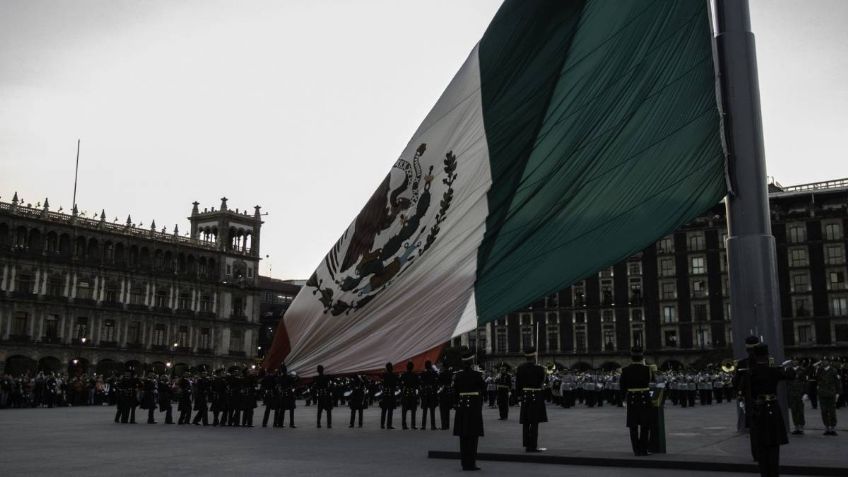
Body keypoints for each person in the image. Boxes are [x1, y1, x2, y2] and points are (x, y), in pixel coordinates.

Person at [743, 343, 792, 477]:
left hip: (758, 410)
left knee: (761, 447)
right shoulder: (773, 370)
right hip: (773, 410)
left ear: (755, 355)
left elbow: (740, 387)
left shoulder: (750, 373)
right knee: (774, 447)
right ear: (767, 355)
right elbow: (791, 375)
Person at [453, 351, 484, 471]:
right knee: (473, 436)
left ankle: (464, 463)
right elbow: (483, 387)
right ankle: (471, 463)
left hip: (461, 407)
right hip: (474, 408)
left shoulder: (458, 376)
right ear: (471, 362)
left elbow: (455, 392)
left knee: (463, 436)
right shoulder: (477, 375)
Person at [619, 346, 653, 456]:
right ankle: (643, 449)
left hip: (632, 399)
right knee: (645, 425)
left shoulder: (625, 370)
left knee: (633, 426)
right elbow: (652, 382)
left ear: (631, 357)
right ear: (642, 356)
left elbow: (622, 387)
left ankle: (636, 450)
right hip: (644, 398)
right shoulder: (648, 369)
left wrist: (623, 400)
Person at [733, 335, 761, 461]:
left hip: (751, 401)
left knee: (754, 431)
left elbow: (735, 382)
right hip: (767, 400)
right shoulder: (768, 360)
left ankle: (757, 455)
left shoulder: (741, 363)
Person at [515, 347, 547, 452]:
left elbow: (518, 384)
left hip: (525, 396)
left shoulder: (520, 368)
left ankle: (527, 444)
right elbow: (542, 382)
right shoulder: (539, 369)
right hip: (535, 396)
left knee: (526, 422)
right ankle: (533, 445)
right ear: (534, 357)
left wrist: (519, 396)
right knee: (534, 422)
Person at [817, 357, 841, 436]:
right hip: (822, 394)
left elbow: (838, 382)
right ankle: (827, 427)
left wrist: (838, 393)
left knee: (832, 412)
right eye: (823, 361)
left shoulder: (833, 370)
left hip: (831, 394)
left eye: (826, 361)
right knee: (824, 411)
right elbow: (816, 379)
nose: (824, 362)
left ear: (829, 362)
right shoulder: (820, 370)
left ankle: (833, 428)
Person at [787, 362, 806, 435]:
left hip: (800, 393)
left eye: (796, 361)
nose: (794, 362)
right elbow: (787, 381)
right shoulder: (789, 370)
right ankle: (796, 426)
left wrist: (805, 393)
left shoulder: (802, 370)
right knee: (794, 410)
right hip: (792, 393)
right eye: (793, 361)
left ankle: (801, 426)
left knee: (800, 410)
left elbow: (805, 381)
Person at [419, 361, 439, 430]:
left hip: (425, 392)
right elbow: (436, 384)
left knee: (425, 410)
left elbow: (420, 384)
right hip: (431, 392)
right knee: (432, 410)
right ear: (430, 366)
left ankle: (423, 425)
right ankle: (433, 426)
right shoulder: (434, 373)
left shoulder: (423, 373)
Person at [400, 361, 420, 430]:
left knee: (404, 410)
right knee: (413, 410)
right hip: (413, 393)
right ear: (412, 367)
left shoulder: (403, 375)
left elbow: (401, 384)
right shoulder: (415, 375)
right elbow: (417, 384)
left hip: (405, 393)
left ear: (407, 367)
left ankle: (404, 425)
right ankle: (413, 425)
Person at [380, 362, 398, 429]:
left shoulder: (384, 375)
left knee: (384, 410)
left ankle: (382, 424)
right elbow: (396, 384)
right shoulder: (394, 375)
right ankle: (389, 425)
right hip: (391, 394)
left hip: (385, 393)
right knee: (390, 410)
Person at [438, 363, 454, 430]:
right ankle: (447, 425)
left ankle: (443, 425)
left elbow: (439, 383)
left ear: (444, 367)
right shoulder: (451, 374)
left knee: (442, 410)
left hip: (443, 392)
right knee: (447, 410)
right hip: (449, 392)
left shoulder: (441, 374)